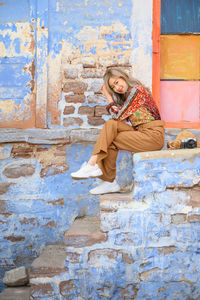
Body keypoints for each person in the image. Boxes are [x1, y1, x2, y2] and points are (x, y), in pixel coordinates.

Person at [71, 67, 165, 194]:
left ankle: (97, 170)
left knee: (111, 136)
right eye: (113, 87)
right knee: (110, 126)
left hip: (153, 135)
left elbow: (118, 115)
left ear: (122, 77)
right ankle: (101, 174)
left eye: (116, 82)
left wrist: (108, 95)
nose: (117, 88)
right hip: (141, 131)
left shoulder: (138, 90)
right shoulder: (128, 97)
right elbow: (117, 119)